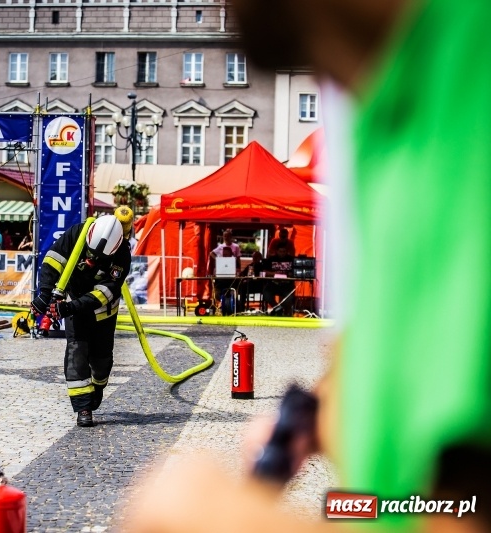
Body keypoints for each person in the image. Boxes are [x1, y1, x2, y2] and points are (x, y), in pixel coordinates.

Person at [124, 0, 491, 531]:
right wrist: (339, 398)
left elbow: (463, 510)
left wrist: (225, 521)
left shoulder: (470, 66)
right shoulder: (383, 98)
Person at [31, 215, 131, 428]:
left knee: (101, 361)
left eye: (98, 259)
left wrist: (69, 308)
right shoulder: (77, 233)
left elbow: (105, 293)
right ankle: (83, 408)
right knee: (76, 352)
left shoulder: (122, 254)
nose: (91, 261)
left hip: (102, 312)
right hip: (74, 303)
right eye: (90, 254)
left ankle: (98, 386)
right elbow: (52, 261)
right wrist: (44, 295)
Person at [260, 244, 295, 316]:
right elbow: (264, 271)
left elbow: (296, 272)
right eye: (280, 251)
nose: (282, 253)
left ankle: (282, 310)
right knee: (266, 292)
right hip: (273, 284)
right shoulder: (271, 259)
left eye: (284, 251)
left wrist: (289, 274)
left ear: (287, 252)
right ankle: (277, 307)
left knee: (290, 297)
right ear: (276, 251)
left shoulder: (291, 259)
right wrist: (274, 274)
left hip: (287, 285)